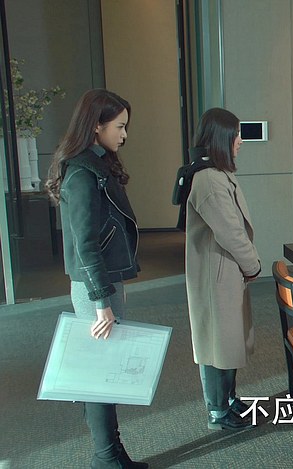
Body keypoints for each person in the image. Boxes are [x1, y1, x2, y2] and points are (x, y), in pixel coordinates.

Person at [45, 89, 147, 469]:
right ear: (96, 126)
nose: (124, 134)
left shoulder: (96, 164)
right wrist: (102, 300)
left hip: (102, 283)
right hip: (94, 289)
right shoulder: (81, 172)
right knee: (99, 374)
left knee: (105, 370)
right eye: (119, 127)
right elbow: (84, 244)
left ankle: (111, 454)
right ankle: (106, 457)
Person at [184, 108, 261, 430]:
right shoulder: (209, 180)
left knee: (227, 340)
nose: (240, 141)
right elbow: (231, 232)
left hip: (224, 271)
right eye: (236, 135)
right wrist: (253, 265)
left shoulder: (216, 175)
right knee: (217, 342)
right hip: (217, 274)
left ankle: (228, 398)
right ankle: (218, 409)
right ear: (221, 138)